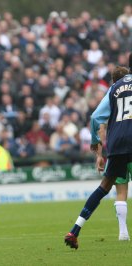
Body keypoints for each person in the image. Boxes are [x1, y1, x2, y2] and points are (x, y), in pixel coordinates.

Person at [64, 63, 132, 249]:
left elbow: (95, 117)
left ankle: (74, 230)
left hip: (117, 143)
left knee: (104, 187)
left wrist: (95, 142)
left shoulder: (114, 88)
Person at [95, 66, 131, 241]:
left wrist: (101, 153)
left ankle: (123, 232)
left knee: (121, 191)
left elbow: (99, 124)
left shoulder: (112, 95)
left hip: (117, 148)